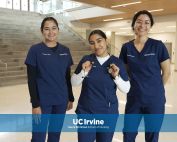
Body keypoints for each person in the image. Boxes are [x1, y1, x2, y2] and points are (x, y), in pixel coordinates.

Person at [119, 10, 171, 142]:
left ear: (150, 26)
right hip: (134, 99)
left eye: (147, 23)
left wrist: (155, 89)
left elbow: (166, 72)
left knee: (152, 135)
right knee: (128, 134)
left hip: (154, 100)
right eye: (139, 22)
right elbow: (123, 73)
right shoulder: (126, 48)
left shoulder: (158, 46)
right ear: (134, 25)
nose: (143, 25)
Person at [71, 29, 130, 142]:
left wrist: (116, 77)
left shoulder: (116, 62)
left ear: (106, 41)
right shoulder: (87, 60)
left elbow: (126, 89)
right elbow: (74, 82)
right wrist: (84, 72)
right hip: (86, 112)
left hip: (107, 113)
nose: (96, 46)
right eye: (92, 43)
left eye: (99, 41)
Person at [25, 17, 74, 142]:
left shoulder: (65, 50)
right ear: (42, 31)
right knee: (38, 136)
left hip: (61, 100)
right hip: (42, 101)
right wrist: (35, 104)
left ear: (58, 30)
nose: (50, 32)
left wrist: (70, 97)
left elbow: (67, 77)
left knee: (55, 135)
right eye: (47, 29)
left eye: (54, 28)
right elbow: (31, 79)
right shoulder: (35, 50)